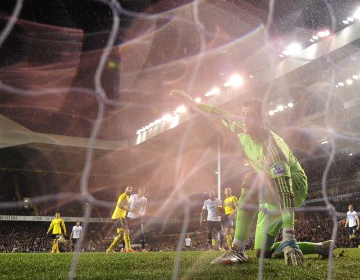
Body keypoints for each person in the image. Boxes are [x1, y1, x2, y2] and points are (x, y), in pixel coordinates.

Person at [170, 90, 308, 265]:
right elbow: (220, 114)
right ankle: (320, 247)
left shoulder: (272, 149)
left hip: (294, 187)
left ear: (262, 119)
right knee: (262, 252)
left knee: (251, 178)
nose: (244, 119)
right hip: (271, 189)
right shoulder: (241, 130)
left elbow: (285, 192)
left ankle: (238, 249)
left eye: (250, 116)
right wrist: (193, 103)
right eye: (243, 115)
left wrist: (289, 235)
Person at [106, 186, 135, 253]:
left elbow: (125, 207)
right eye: (129, 188)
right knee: (126, 230)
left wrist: (132, 209)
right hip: (119, 215)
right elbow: (119, 205)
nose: (130, 190)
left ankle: (110, 249)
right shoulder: (123, 195)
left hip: (120, 216)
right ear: (125, 189)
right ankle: (129, 249)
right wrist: (130, 210)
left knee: (121, 234)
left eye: (131, 189)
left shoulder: (128, 198)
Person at [127, 187, 148, 252]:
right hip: (130, 217)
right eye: (141, 190)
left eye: (143, 190)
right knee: (126, 232)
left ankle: (143, 248)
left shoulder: (145, 199)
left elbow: (144, 209)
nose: (142, 191)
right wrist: (130, 210)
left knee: (141, 233)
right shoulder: (132, 196)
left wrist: (141, 213)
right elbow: (127, 205)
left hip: (138, 218)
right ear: (138, 191)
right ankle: (124, 248)